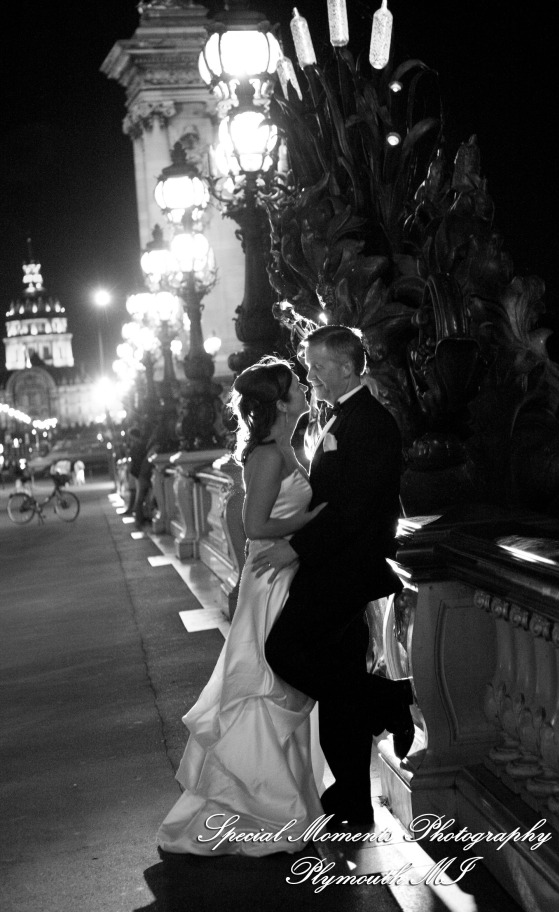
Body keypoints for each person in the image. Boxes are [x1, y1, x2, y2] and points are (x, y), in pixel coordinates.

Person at [157, 359, 327, 856]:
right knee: (264, 687)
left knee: (279, 687)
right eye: (295, 385)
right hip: (271, 577)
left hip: (280, 573)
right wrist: (315, 520)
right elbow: (255, 525)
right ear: (279, 402)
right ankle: (263, 808)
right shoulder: (270, 454)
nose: (304, 387)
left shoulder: (286, 446)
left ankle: (283, 800)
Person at [251, 325, 414, 826]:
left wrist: (294, 547)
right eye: (309, 366)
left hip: (348, 568)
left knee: (285, 651)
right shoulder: (337, 417)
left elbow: (353, 510)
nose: (310, 376)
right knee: (340, 673)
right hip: (332, 563)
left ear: (346, 366)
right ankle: (352, 797)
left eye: (317, 366)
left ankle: (390, 697)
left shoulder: (371, 423)